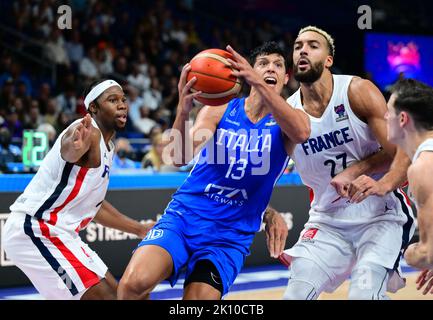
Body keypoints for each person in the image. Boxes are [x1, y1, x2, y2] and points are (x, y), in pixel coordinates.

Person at [118, 41, 310, 300]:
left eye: (278, 65)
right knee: (132, 285)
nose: (270, 69)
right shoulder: (220, 109)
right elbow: (177, 157)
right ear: (247, 72)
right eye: (263, 64)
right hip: (185, 216)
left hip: (229, 236)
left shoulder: (290, 120)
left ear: (286, 77)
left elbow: (301, 132)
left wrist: (259, 82)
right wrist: (182, 111)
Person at [271, 26, 415, 300]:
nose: (303, 50)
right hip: (327, 222)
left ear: (329, 60)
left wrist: (357, 169)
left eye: (313, 45)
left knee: (363, 293)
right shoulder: (287, 114)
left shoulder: (357, 91)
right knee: (295, 295)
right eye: (298, 45)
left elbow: (401, 152)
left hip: (379, 216)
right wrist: (267, 212)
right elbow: (263, 175)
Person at [1, 79, 154, 300]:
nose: (122, 105)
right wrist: (71, 150)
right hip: (36, 228)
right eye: (112, 100)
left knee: (130, 295)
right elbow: (69, 148)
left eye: (123, 99)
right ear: (93, 107)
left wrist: (139, 229)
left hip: (62, 234)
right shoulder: (86, 131)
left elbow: (94, 206)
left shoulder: (107, 148)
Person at [385, 78, 433, 295]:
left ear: (402, 118)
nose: (385, 117)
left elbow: (427, 254)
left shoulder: (424, 165)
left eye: (389, 112)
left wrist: (405, 252)